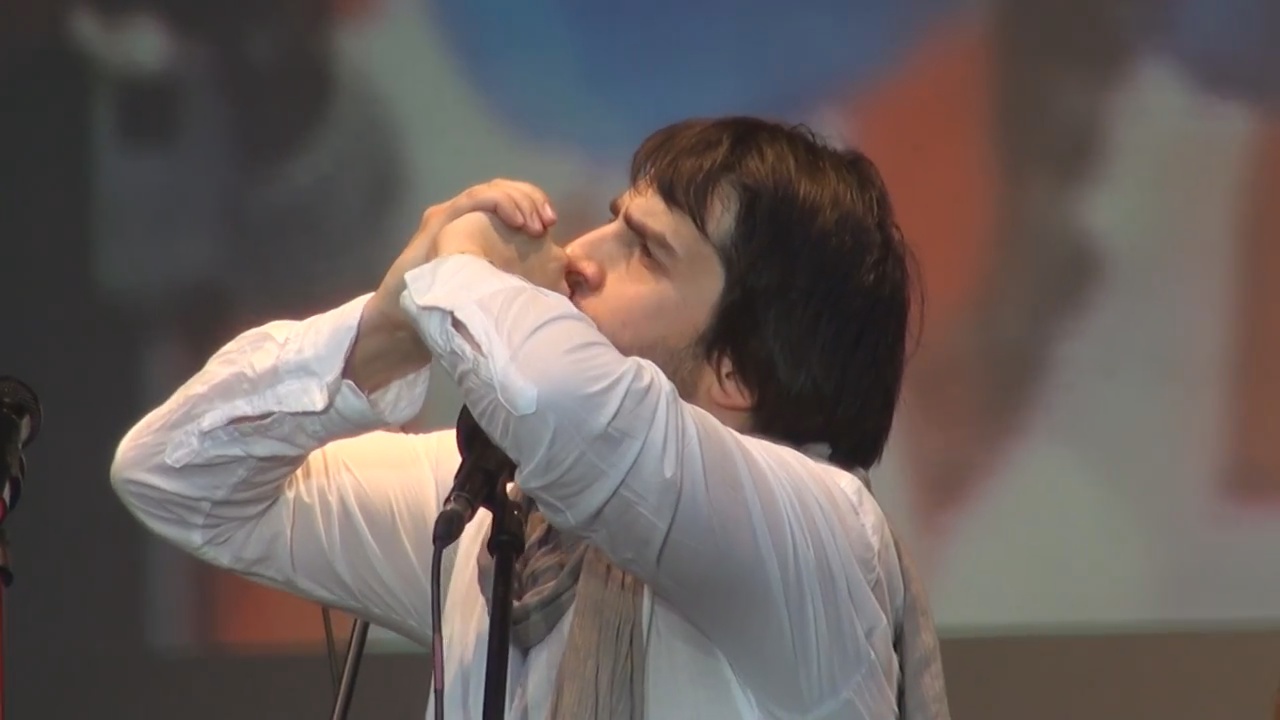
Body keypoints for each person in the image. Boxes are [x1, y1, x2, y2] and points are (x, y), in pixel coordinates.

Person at [111, 117, 949, 719]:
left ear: (739, 370)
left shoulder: (811, 530)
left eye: (645, 250)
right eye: (614, 220)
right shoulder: (506, 513)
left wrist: (458, 267)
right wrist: (385, 330)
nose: (580, 255)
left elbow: (564, 401)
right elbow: (173, 475)